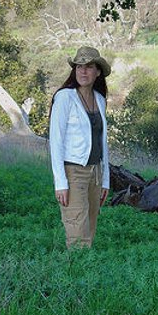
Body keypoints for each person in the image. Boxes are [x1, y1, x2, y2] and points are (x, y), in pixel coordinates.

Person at [49, 46, 111, 249]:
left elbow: (103, 142)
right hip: (73, 171)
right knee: (77, 229)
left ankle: (86, 275)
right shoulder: (65, 97)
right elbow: (55, 141)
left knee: (90, 227)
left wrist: (105, 180)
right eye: (79, 66)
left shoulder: (100, 100)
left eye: (89, 66)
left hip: (96, 171)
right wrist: (61, 182)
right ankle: (74, 275)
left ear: (98, 71)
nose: (83, 71)